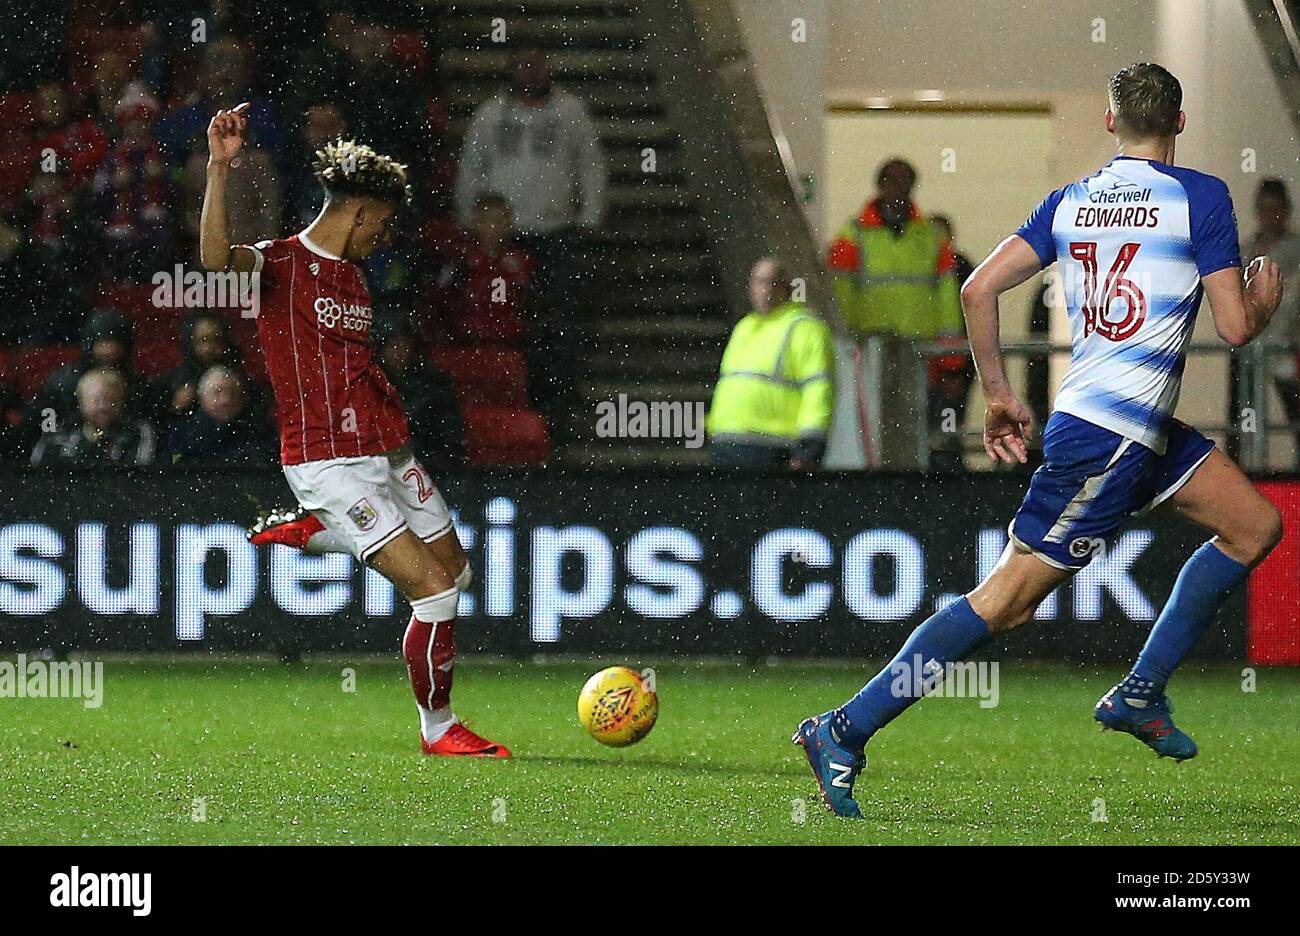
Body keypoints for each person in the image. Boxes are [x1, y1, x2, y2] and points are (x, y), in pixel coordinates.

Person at [795, 63, 1285, 818]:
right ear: (1180, 123)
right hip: (1113, 436)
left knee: (1254, 524)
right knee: (1006, 604)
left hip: (1125, 426)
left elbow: (977, 287)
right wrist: (1261, 294)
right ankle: (844, 727)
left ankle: (1140, 691)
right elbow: (1235, 328)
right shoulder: (1201, 197)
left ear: (1112, 123)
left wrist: (997, 394)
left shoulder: (1073, 200)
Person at [200, 104, 508, 757]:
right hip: (328, 463)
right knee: (431, 595)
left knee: (457, 574)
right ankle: (439, 729)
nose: (384, 236)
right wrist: (220, 169)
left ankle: (321, 534)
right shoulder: (280, 263)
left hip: (387, 448)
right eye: (384, 223)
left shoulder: (357, 280)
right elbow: (213, 258)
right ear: (361, 211)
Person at [453, 50, 606, 428]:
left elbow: (590, 163)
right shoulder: (491, 115)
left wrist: (590, 216)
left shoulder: (571, 112)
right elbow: (472, 166)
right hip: (506, 234)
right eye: (522, 64)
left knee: (558, 317)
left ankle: (561, 393)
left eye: (536, 64)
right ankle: (525, 392)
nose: (529, 71)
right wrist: (468, 218)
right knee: (514, 317)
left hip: (556, 232)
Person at [826, 158, 963, 466]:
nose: (898, 190)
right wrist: (846, 350)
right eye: (892, 182)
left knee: (920, 433)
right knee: (873, 431)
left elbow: (947, 304)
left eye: (904, 183)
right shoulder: (853, 236)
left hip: (919, 355)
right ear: (880, 185)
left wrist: (951, 362)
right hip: (871, 352)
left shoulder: (931, 237)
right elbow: (840, 295)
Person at [706, 258, 835, 469]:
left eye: (772, 282)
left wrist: (810, 447)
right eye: (758, 282)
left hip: (773, 447)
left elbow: (819, 390)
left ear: (787, 287)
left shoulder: (806, 329)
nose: (764, 289)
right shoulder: (745, 327)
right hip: (727, 444)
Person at [1242, 178, 1300, 459]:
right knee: (1242, 421)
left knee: (1294, 415)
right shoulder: (1246, 251)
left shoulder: (1295, 251)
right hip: (1250, 348)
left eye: (1276, 210)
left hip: (1286, 347)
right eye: (1265, 210)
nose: (1271, 217)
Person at [30, 368, 157, 467]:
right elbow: (39, 473)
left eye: (110, 400)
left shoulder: (137, 433)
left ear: (121, 402)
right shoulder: (60, 434)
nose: (102, 407)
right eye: (95, 401)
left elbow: (141, 475)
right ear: (81, 402)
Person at [164, 365, 275, 465]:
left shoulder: (255, 431)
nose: (225, 400)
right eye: (218, 392)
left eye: (232, 393)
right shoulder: (184, 434)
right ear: (202, 397)